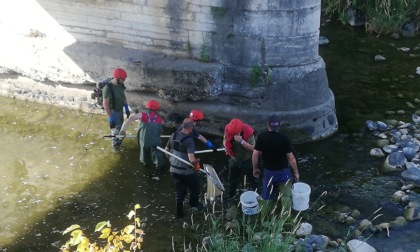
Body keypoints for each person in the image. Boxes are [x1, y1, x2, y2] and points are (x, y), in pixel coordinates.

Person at [252, 115, 299, 217]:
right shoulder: (284, 139)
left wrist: (255, 169)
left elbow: (255, 155)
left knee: (266, 195)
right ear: (279, 125)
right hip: (283, 173)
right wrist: (296, 172)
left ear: (268, 125)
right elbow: (291, 158)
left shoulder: (262, 137)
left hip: (268, 172)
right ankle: (286, 219)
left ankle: (265, 217)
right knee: (286, 196)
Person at [165, 118, 203, 218]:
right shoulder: (189, 141)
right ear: (190, 127)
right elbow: (191, 159)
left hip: (173, 170)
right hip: (186, 172)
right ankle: (194, 204)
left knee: (180, 192)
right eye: (193, 127)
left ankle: (179, 214)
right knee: (196, 187)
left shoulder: (173, 135)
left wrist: (170, 160)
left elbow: (166, 150)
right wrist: (197, 163)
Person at [223, 118, 258, 199]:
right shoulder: (228, 129)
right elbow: (225, 139)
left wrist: (242, 141)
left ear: (241, 130)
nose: (234, 135)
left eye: (236, 133)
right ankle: (231, 196)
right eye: (232, 134)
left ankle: (257, 194)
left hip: (247, 159)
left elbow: (253, 149)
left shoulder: (248, 132)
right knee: (232, 179)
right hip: (234, 159)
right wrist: (226, 146)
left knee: (253, 178)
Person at [125, 99, 165, 169]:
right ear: (156, 109)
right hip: (156, 140)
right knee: (157, 153)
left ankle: (146, 165)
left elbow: (132, 118)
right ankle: (159, 166)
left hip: (145, 140)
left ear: (147, 107)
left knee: (144, 154)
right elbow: (160, 130)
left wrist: (128, 122)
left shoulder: (143, 115)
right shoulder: (159, 118)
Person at [102, 68, 131, 148]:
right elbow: (105, 105)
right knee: (116, 132)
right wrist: (111, 119)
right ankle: (115, 146)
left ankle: (118, 142)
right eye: (123, 79)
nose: (124, 81)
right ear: (117, 78)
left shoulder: (120, 85)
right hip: (113, 112)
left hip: (120, 109)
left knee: (121, 128)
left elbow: (123, 97)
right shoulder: (108, 88)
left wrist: (127, 108)